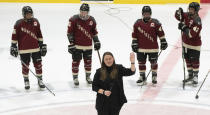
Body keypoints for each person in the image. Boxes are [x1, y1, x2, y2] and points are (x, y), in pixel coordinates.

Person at [10, 6, 47, 90]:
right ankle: (26, 80)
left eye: (30, 14)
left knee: (38, 65)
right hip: (23, 49)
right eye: (27, 14)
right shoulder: (18, 23)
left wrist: (41, 44)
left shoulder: (35, 22)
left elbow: (39, 34)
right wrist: (13, 45)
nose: (29, 15)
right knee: (25, 66)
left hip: (36, 48)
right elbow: (14, 35)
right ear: (24, 14)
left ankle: (40, 80)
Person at [131, 6, 168, 86]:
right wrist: (134, 42)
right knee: (141, 63)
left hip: (153, 48)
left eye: (148, 14)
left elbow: (161, 33)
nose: (146, 15)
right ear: (142, 14)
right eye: (145, 14)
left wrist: (163, 41)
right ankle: (142, 76)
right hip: (141, 48)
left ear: (150, 14)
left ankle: (154, 76)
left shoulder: (156, 23)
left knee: (153, 63)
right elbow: (134, 34)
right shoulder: (137, 23)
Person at [67, 3, 101, 86]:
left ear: (88, 12)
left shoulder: (92, 20)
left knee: (88, 62)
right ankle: (75, 78)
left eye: (84, 12)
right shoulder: (74, 19)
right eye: (81, 11)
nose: (83, 13)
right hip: (77, 46)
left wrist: (96, 41)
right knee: (76, 62)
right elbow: (69, 32)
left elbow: (94, 32)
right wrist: (71, 42)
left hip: (88, 45)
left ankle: (88, 77)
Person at [175, 2, 202, 86]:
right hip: (185, 43)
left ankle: (195, 76)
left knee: (194, 61)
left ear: (196, 10)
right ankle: (190, 75)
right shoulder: (187, 15)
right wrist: (178, 12)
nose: (190, 11)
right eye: (189, 9)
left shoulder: (197, 21)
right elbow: (178, 17)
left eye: (192, 9)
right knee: (187, 59)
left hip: (195, 45)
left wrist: (183, 27)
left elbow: (191, 34)